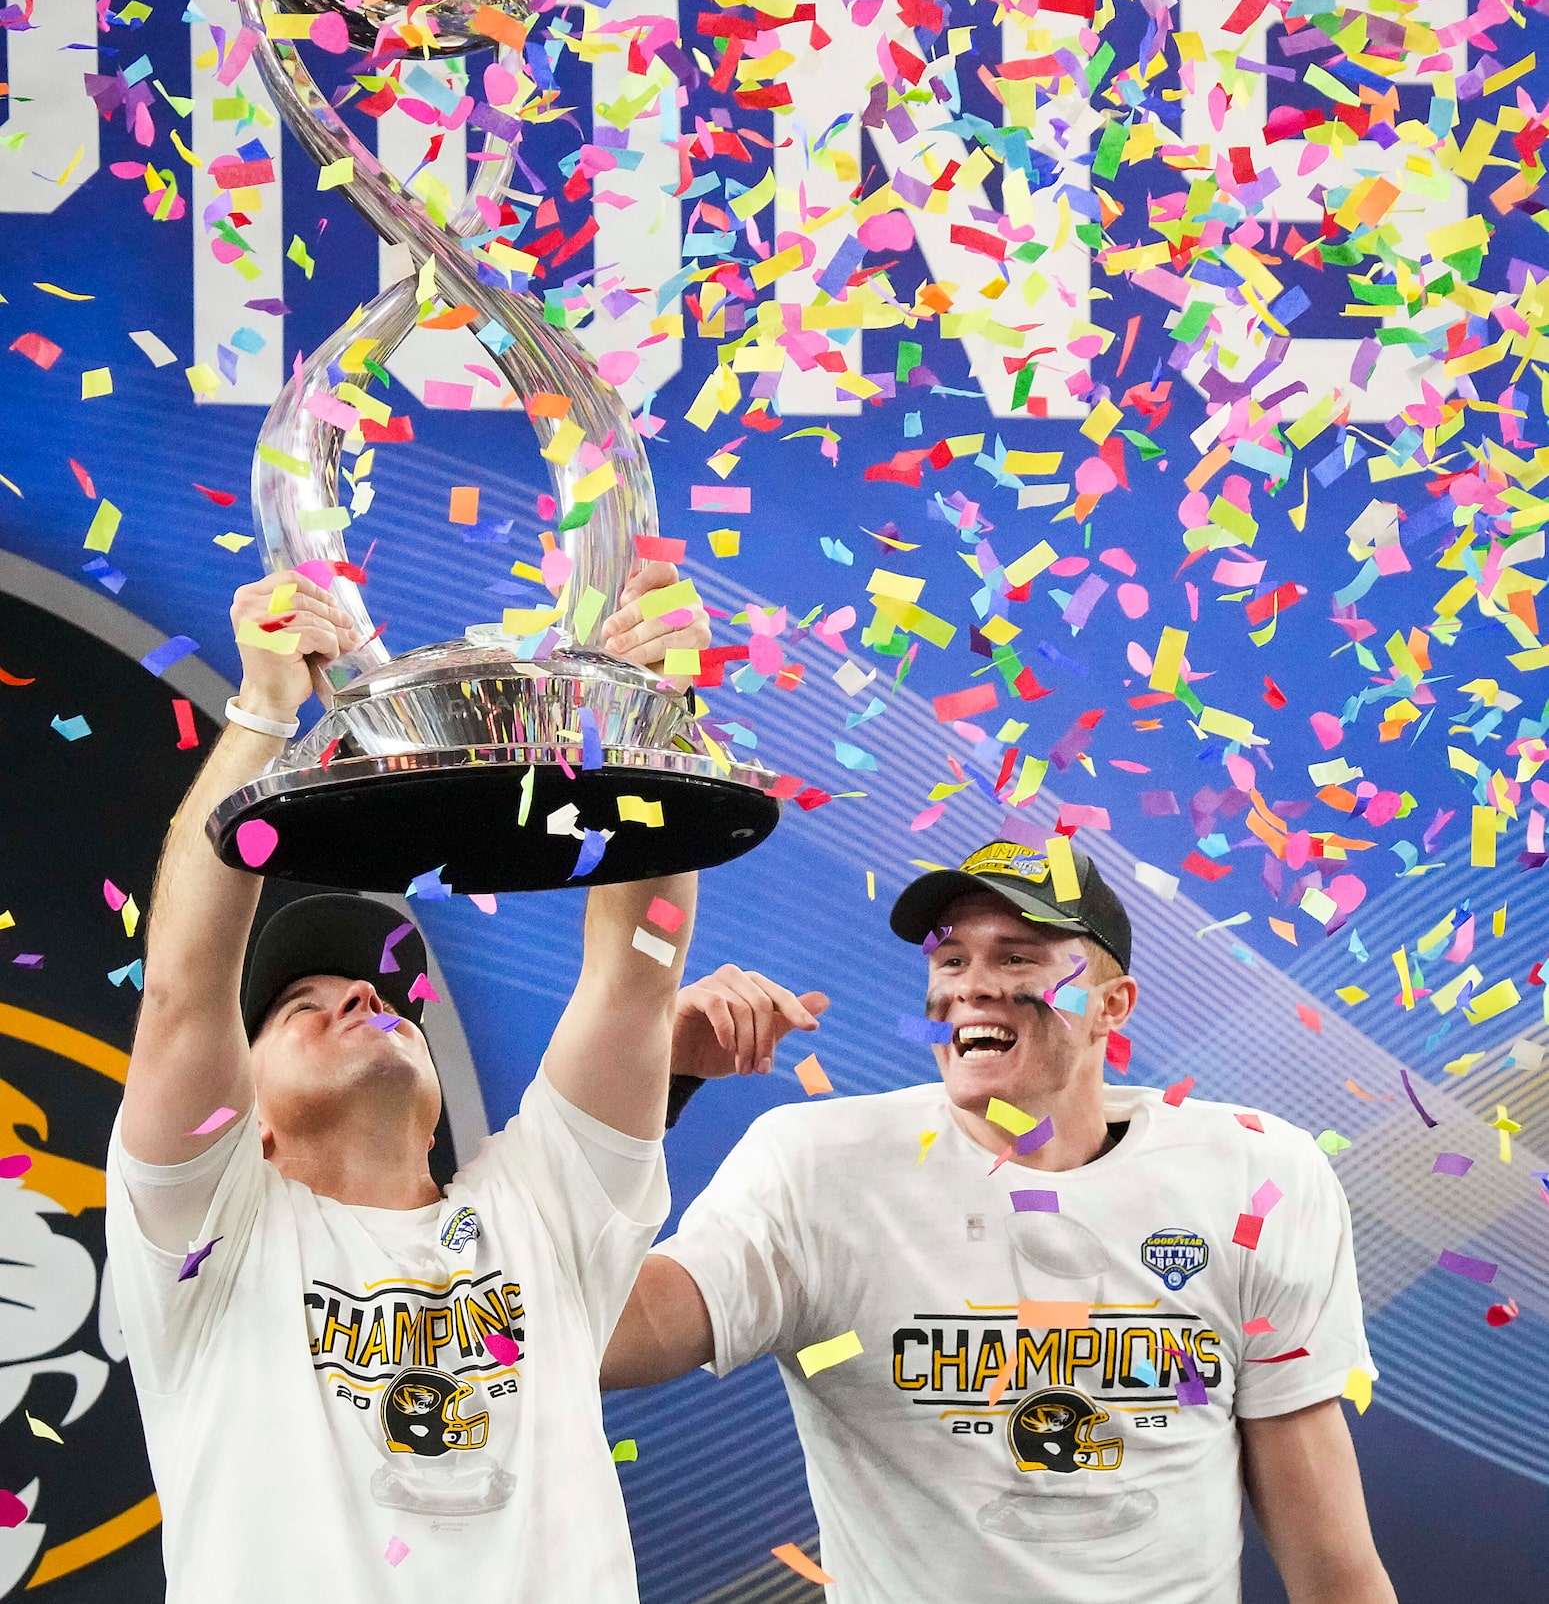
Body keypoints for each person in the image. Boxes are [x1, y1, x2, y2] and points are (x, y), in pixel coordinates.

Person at [106, 558, 713, 1604]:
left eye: (380, 995)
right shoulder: (208, 1240)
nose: (360, 997)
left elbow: (636, 978)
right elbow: (183, 992)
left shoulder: (546, 1214)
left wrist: (646, 715)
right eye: (304, 1006)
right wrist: (262, 714)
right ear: (239, 1120)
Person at [613, 836, 1398, 1604]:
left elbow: (1331, 1560)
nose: (970, 985)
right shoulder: (817, 1164)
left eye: (1016, 957)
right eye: (950, 960)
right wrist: (660, 1076)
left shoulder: (1254, 1172)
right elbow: (607, 1339)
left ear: (1111, 1006)